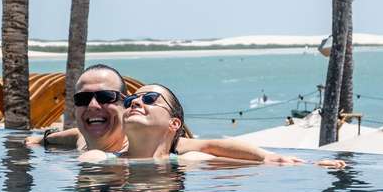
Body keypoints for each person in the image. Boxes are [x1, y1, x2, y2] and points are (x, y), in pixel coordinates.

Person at [26, 64, 343, 166]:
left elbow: (211, 147)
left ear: (118, 104)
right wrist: (37, 141)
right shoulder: (85, 141)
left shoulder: (171, 150)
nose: (93, 106)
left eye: (105, 97)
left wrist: (275, 159)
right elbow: (67, 138)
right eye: (83, 98)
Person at [79, 83, 345, 168]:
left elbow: (228, 152)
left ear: (174, 124)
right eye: (132, 100)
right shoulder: (98, 159)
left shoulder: (188, 160)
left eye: (149, 99)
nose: (136, 102)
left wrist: (309, 167)